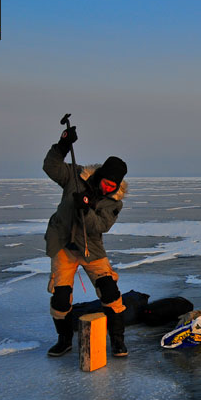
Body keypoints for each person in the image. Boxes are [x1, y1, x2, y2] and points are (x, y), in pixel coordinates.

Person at [43, 124, 129, 357]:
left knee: (109, 291)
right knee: (61, 298)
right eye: (107, 182)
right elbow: (51, 167)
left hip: (91, 249)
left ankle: (118, 341)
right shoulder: (75, 177)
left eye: (113, 185)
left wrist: (87, 207)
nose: (109, 187)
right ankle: (64, 340)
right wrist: (62, 145)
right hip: (63, 245)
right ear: (101, 174)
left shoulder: (114, 202)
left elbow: (101, 226)